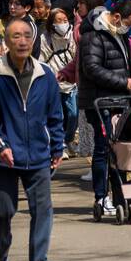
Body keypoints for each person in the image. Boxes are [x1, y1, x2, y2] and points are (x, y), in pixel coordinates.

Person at [0, 17, 64, 261]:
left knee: (43, 210)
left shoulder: (45, 74)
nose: (22, 41)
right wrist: (1, 145)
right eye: (16, 36)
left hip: (38, 154)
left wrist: (57, 147)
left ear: (33, 40)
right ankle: (0, 249)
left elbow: (55, 114)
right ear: (6, 42)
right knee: (2, 210)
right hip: (4, 157)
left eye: (27, 35)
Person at [78, 0, 131, 220]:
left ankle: (119, 197)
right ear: (115, 17)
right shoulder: (93, 36)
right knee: (103, 148)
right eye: (128, 23)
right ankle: (101, 197)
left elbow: (126, 65)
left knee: (118, 149)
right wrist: (123, 82)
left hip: (119, 101)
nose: (128, 28)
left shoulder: (118, 34)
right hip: (99, 101)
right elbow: (92, 68)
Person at [39, 8, 78, 155]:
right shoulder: (45, 39)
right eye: (59, 21)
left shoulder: (73, 35)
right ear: (52, 24)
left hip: (71, 82)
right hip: (54, 83)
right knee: (58, 116)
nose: (63, 24)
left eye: (65, 20)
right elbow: (41, 61)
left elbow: (76, 55)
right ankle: (59, 142)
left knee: (73, 114)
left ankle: (68, 139)